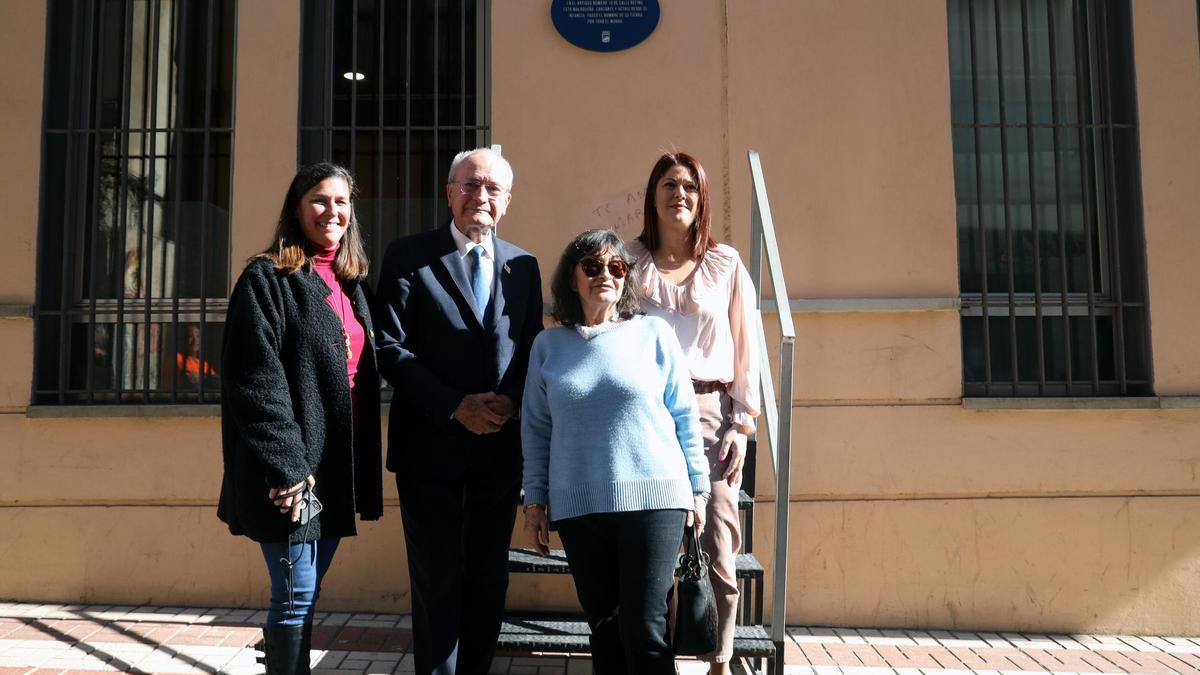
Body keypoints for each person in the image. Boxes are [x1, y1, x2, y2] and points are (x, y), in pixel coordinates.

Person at [374, 147, 544, 675]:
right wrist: (455, 407)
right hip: (430, 446)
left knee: (489, 576)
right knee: (437, 578)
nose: (481, 197)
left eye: (493, 189)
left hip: (499, 448)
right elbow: (389, 348)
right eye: (470, 185)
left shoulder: (523, 266)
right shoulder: (408, 256)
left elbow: (531, 345)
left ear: (507, 201)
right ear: (450, 193)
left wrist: (511, 400)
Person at [218, 163, 383, 675]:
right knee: (295, 594)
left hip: (335, 464)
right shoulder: (267, 278)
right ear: (296, 207)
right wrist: (288, 468)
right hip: (291, 473)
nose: (331, 211)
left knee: (303, 596)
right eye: (319, 199)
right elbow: (254, 381)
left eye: (341, 201)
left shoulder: (352, 284)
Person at [521, 229, 711, 675]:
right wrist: (535, 503)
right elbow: (535, 429)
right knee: (604, 631)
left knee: (644, 630)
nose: (604, 274)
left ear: (626, 278)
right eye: (591, 266)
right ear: (572, 278)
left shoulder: (654, 334)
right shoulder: (548, 346)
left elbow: (685, 415)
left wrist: (698, 489)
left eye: (616, 267)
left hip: (654, 502)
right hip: (579, 506)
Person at [626, 152, 761, 672]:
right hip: (644, 413)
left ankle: (719, 658)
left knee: (719, 536)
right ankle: (657, 656)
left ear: (701, 197)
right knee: (652, 543)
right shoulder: (627, 261)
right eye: (667, 184)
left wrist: (742, 423)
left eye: (688, 186)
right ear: (652, 195)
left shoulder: (725, 263)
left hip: (709, 412)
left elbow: (747, 345)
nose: (678, 194)